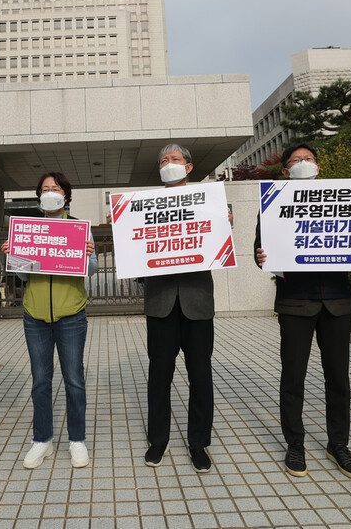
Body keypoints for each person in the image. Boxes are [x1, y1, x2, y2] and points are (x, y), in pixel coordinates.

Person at [254, 143, 351, 480]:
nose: (304, 164)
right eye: (296, 161)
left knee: (338, 378)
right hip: (295, 303)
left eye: (309, 159)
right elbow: (259, 251)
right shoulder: (272, 206)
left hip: (336, 301)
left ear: (319, 165)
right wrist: (261, 257)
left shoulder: (343, 201)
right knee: (293, 378)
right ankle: (295, 443)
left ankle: (338, 444)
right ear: (285, 171)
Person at [0, 171, 97, 469]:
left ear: (65, 195)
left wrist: (88, 256)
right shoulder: (28, 229)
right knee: (41, 381)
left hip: (71, 314)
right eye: (44, 188)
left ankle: (77, 439)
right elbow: (24, 275)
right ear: (39, 195)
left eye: (55, 188)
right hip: (36, 315)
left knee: (74, 380)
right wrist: (13, 255)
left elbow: (90, 271)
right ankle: (41, 439)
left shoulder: (79, 228)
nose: (50, 192)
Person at [143, 143, 216, 473]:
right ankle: (158, 440)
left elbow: (220, 247)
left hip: (197, 302)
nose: (168, 164)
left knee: (200, 376)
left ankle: (199, 442)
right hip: (160, 304)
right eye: (163, 161)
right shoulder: (142, 207)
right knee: (159, 376)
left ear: (189, 167)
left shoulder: (209, 202)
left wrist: (222, 222)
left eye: (174, 160)